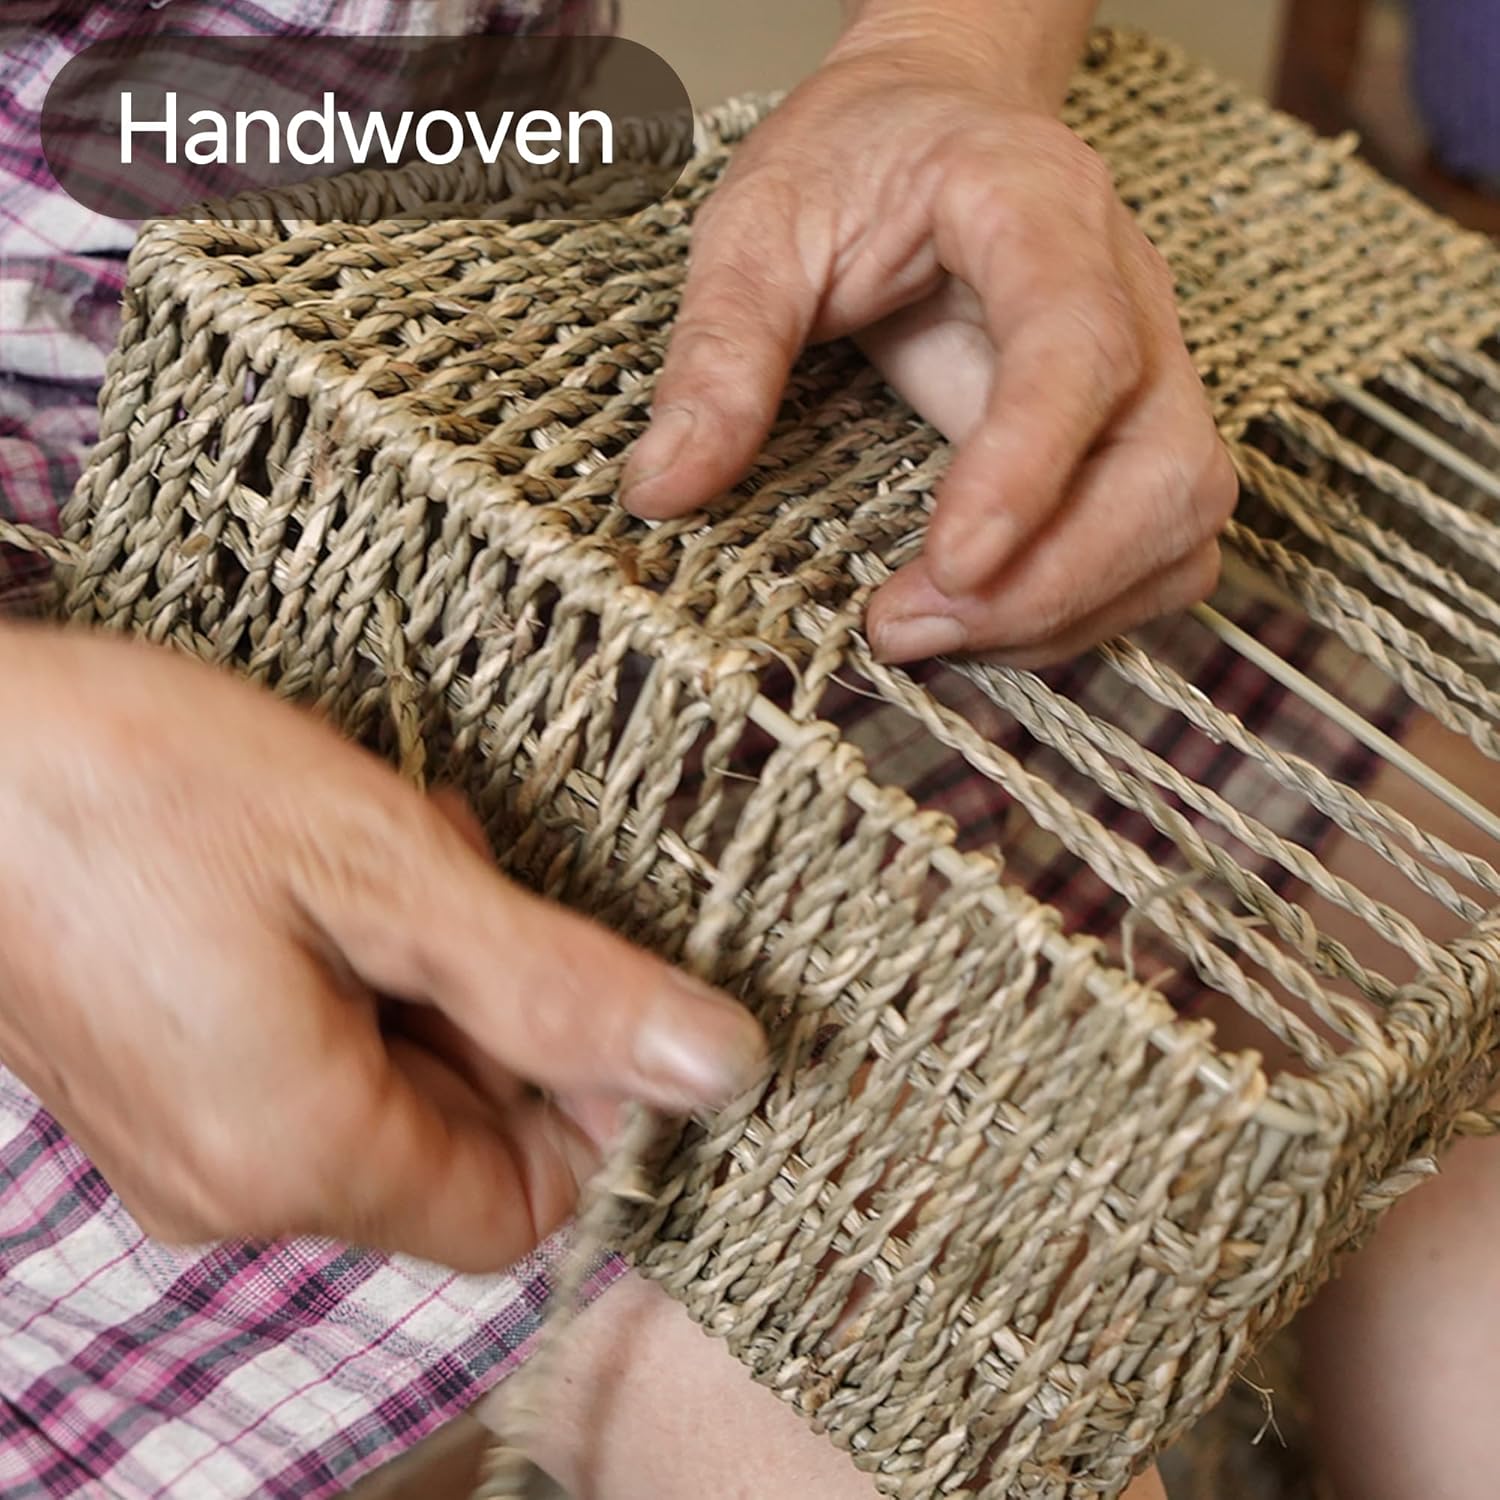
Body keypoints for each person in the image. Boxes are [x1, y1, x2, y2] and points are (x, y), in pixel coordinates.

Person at [0, 5, 1491, 1500]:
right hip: (83, 671)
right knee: (891, 1382)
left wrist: (938, 60)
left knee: (1447, 913)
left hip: (551, 371)